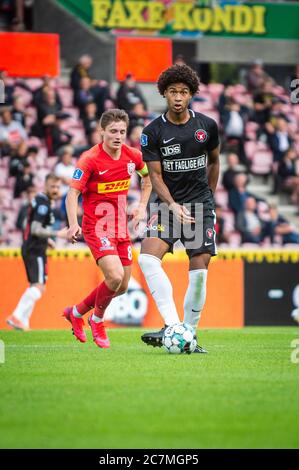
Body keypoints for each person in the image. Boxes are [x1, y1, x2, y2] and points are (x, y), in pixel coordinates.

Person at [138, 64, 220, 353]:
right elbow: (155, 176)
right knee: (148, 259)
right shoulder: (152, 131)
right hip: (166, 204)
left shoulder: (207, 126)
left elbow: (214, 162)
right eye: (172, 91)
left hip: (199, 204)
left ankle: (190, 335)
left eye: (183, 92)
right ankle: (173, 326)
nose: (178, 97)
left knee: (199, 271)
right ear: (164, 93)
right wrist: (172, 205)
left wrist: (207, 199)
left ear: (191, 95)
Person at [64, 109, 152, 348]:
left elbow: (148, 178)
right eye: (113, 131)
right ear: (101, 131)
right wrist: (73, 224)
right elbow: (72, 194)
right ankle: (97, 320)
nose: (118, 136)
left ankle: (75, 312)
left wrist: (142, 205)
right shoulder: (89, 159)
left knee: (121, 286)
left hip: (120, 226)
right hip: (96, 226)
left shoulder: (133, 156)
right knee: (113, 277)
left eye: (122, 131)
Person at [6, 174, 68, 331]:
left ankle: (23, 322)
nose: (55, 190)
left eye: (57, 187)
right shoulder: (43, 204)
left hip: (33, 247)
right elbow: (35, 228)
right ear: (45, 185)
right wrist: (56, 234)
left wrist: (48, 241)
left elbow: (31, 226)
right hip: (35, 250)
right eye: (52, 186)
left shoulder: (42, 201)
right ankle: (17, 316)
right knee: (38, 287)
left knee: (35, 286)